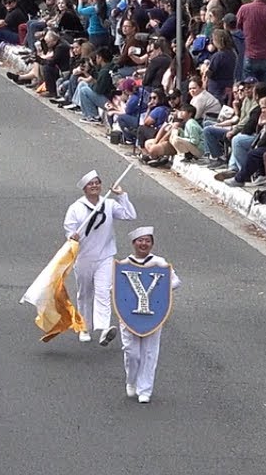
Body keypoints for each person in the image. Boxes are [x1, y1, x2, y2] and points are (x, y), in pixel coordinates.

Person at [64, 170, 137, 345]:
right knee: (85, 293)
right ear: (84, 188)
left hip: (105, 255)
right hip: (83, 257)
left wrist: (122, 196)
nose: (95, 186)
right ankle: (83, 327)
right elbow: (69, 229)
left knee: (103, 292)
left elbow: (130, 215)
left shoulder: (109, 204)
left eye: (97, 182)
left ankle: (104, 328)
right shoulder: (76, 208)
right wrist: (71, 236)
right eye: (91, 183)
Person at [117, 226, 181, 404]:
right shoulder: (124, 264)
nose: (143, 244)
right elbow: (115, 288)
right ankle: (131, 380)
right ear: (133, 243)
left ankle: (145, 389)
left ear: (152, 244)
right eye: (140, 240)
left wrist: (162, 287)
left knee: (150, 352)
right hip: (129, 314)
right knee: (132, 352)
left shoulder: (159, 262)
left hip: (153, 313)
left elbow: (176, 281)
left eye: (147, 241)